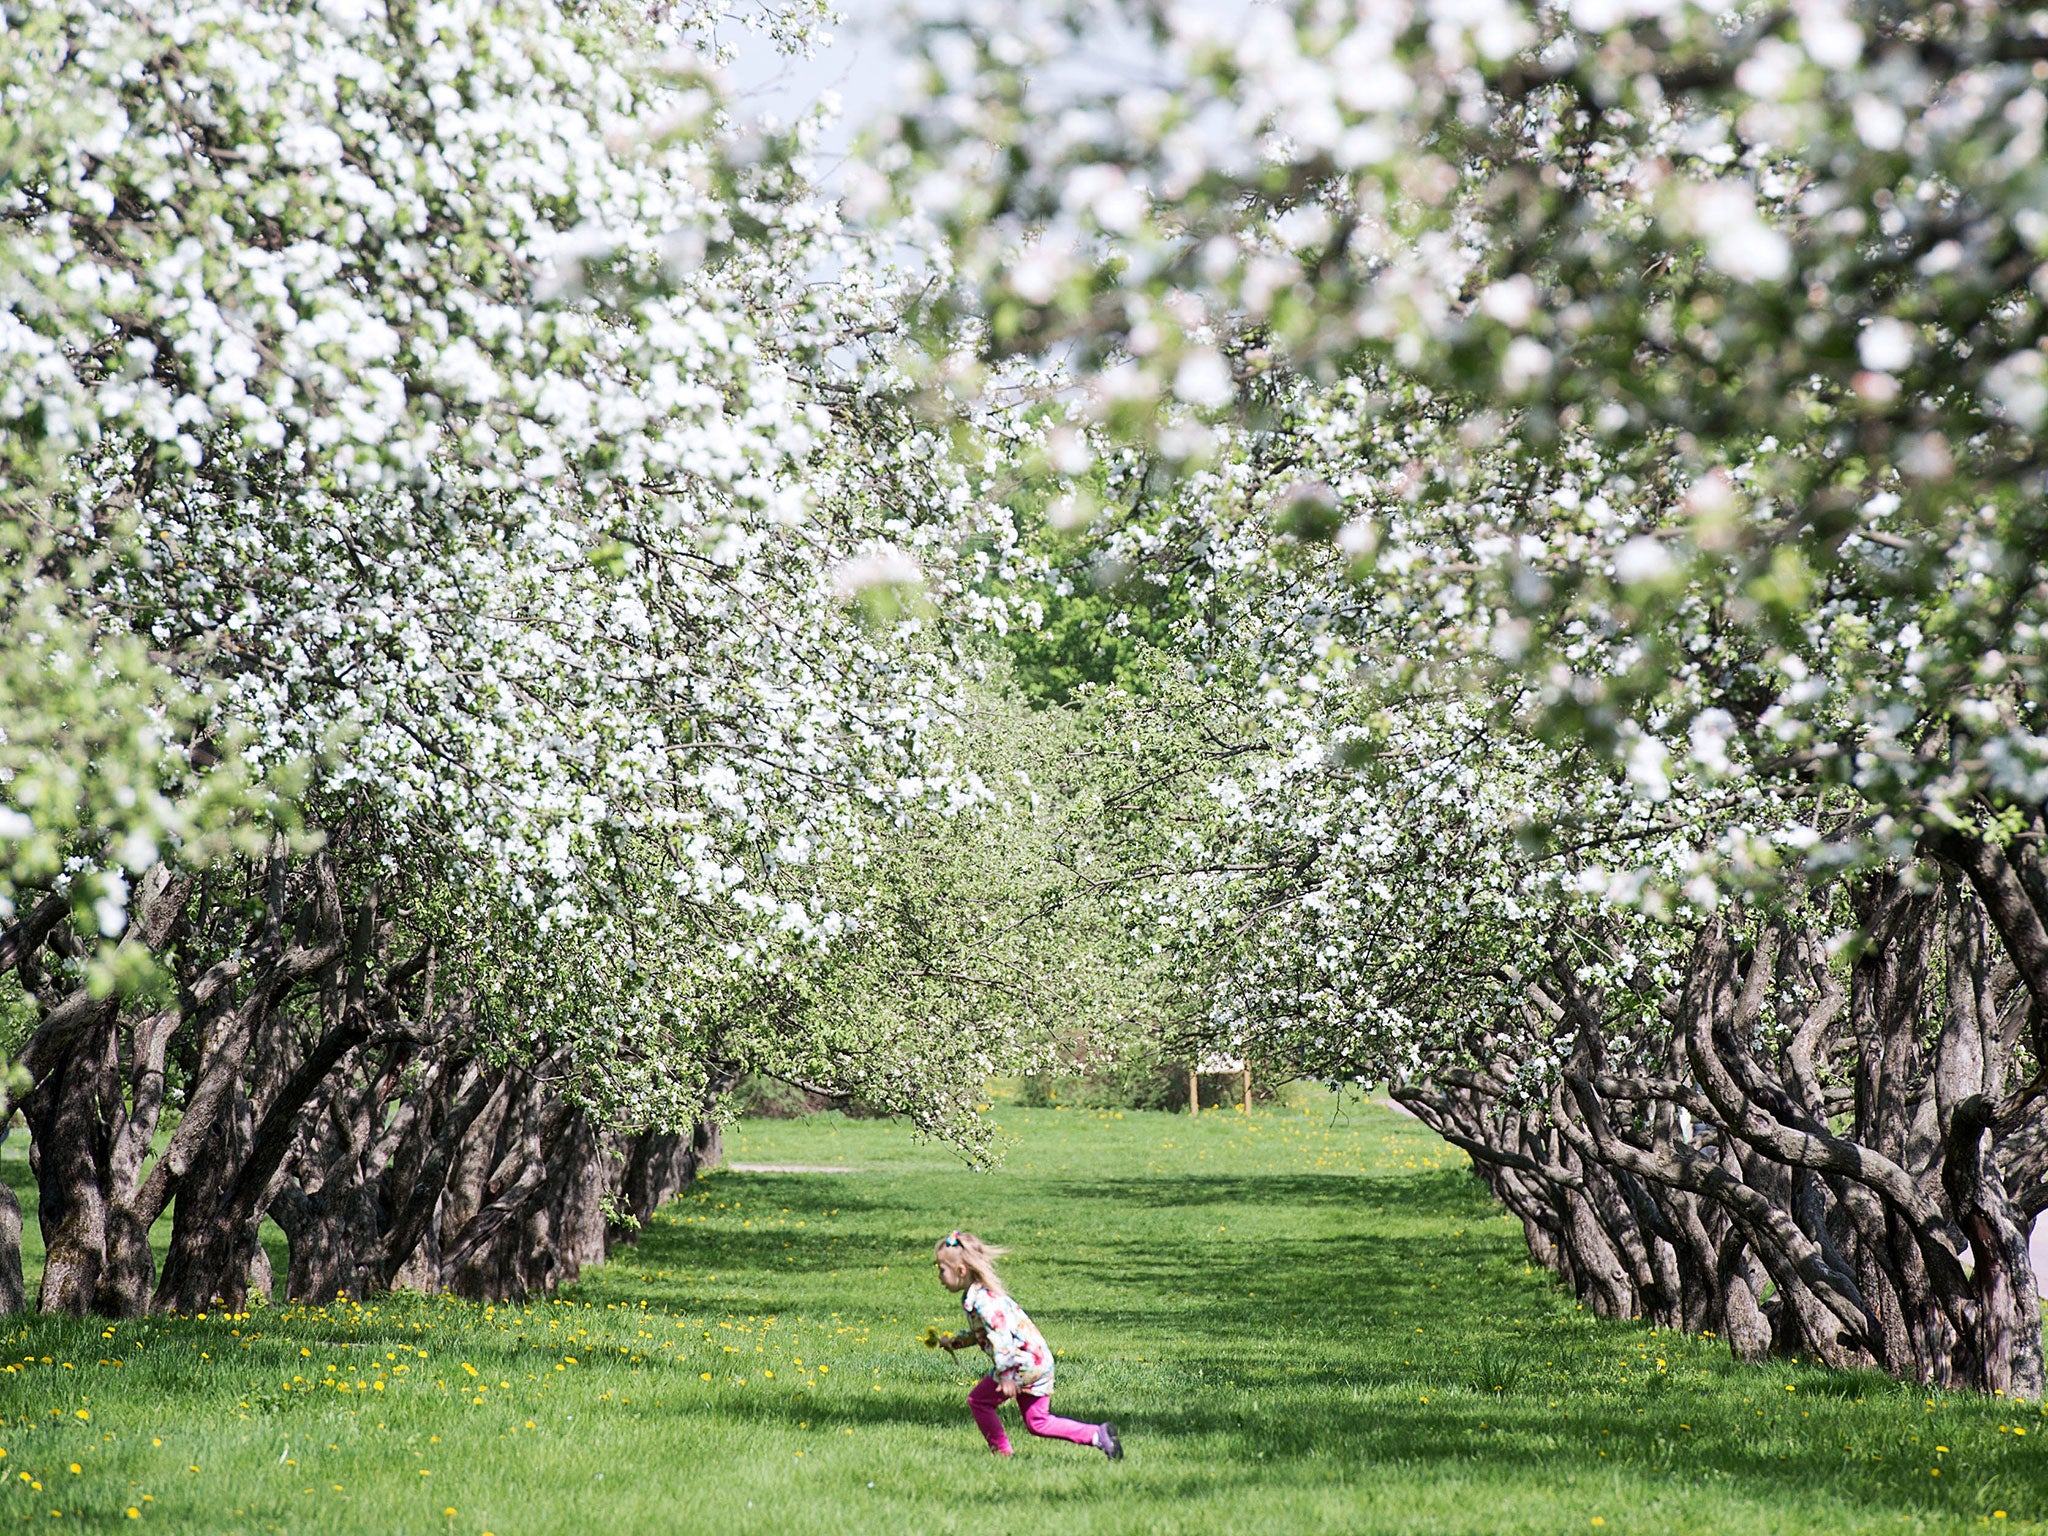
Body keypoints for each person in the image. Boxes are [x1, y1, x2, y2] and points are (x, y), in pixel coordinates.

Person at [928, 1229, 1123, 1459]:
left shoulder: (985, 1302)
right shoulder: (979, 1297)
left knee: (978, 1401)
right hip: (1036, 1361)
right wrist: (955, 1342)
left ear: (961, 1271)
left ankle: (1002, 1454)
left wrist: (1007, 1375)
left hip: (1020, 1364)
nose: (939, 1276)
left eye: (941, 1270)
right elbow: (982, 1332)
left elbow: (1002, 1338)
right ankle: (1098, 1435)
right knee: (1037, 1422)